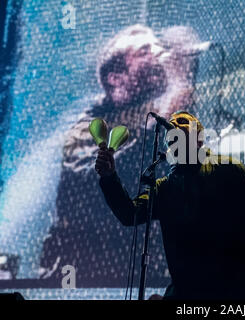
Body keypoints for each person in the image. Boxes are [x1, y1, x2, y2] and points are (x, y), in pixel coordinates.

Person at [39, 25, 206, 284]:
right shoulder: (87, 126)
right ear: (116, 78)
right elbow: (115, 177)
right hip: (85, 276)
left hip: (149, 270)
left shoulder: (158, 112)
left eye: (157, 47)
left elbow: (184, 172)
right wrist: (176, 92)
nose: (158, 54)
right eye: (144, 51)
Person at [95, 110, 245, 300]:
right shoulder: (165, 188)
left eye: (183, 122)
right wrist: (109, 177)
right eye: (172, 129)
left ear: (200, 138)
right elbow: (129, 213)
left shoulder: (230, 170)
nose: (175, 124)